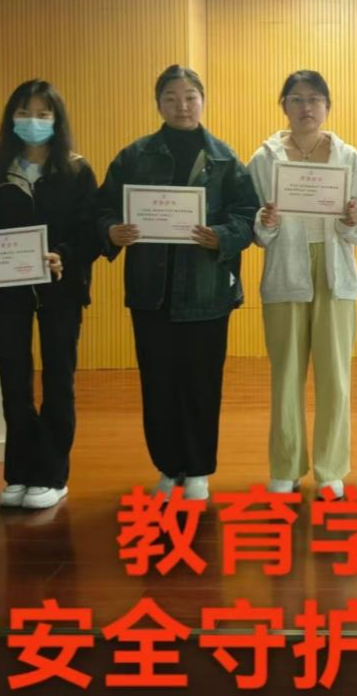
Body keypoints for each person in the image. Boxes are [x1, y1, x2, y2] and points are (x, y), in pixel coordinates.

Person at [96, 65, 259, 502]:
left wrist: (222, 236)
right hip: (152, 291)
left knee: (202, 382)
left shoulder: (224, 159)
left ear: (202, 101)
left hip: (207, 291)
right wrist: (111, 231)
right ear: (158, 104)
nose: (182, 106)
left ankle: (199, 468)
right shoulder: (134, 156)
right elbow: (102, 208)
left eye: (190, 97)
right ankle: (168, 467)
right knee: (158, 381)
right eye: (171, 98)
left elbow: (248, 215)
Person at [0, 80, 98, 510]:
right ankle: (20, 472)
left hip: (61, 292)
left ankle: (52, 475)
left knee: (59, 382)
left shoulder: (76, 171)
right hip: (6, 295)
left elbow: (91, 231)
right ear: (12, 119)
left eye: (43, 114)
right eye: (25, 113)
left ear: (57, 120)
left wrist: (64, 256)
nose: (33, 121)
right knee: (13, 383)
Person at [248, 70, 357, 499]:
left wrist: (351, 221)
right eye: (297, 99)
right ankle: (285, 466)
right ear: (283, 105)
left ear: (327, 107)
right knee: (285, 374)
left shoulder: (347, 156)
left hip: (334, 274)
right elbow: (254, 230)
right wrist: (265, 222)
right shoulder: (263, 159)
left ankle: (330, 468)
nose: (307, 107)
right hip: (286, 272)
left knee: (334, 375)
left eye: (315, 99)